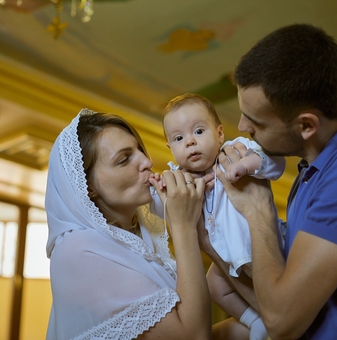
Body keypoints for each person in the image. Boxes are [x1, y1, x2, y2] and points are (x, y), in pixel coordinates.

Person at [200, 24, 337, 339]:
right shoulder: (313, 171)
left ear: (306, 125)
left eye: (256, 121)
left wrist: (258, 211)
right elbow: (279, 310)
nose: (242, 127)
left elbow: (282, 322)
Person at [45, 108, 212, 339]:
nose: (147, 161)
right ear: (88, 187)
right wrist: (183, 227)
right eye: (124, 159)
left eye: (140, 150)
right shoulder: (77, 249)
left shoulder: (137, 240)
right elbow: (193, 336)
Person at [150, 93, 285, 340]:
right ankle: (256, 320)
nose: (190, 142)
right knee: (213, 285)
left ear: (219, 133)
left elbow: (275, 163)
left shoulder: (233, 152)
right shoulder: (180, 179)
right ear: (170, 147)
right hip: (225, 257)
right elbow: (166, 212)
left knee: (277, 291)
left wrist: (246, 166)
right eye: (179, 138)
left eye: (199, 131)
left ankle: (278, 318)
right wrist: (162, 191)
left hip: (259, 245)